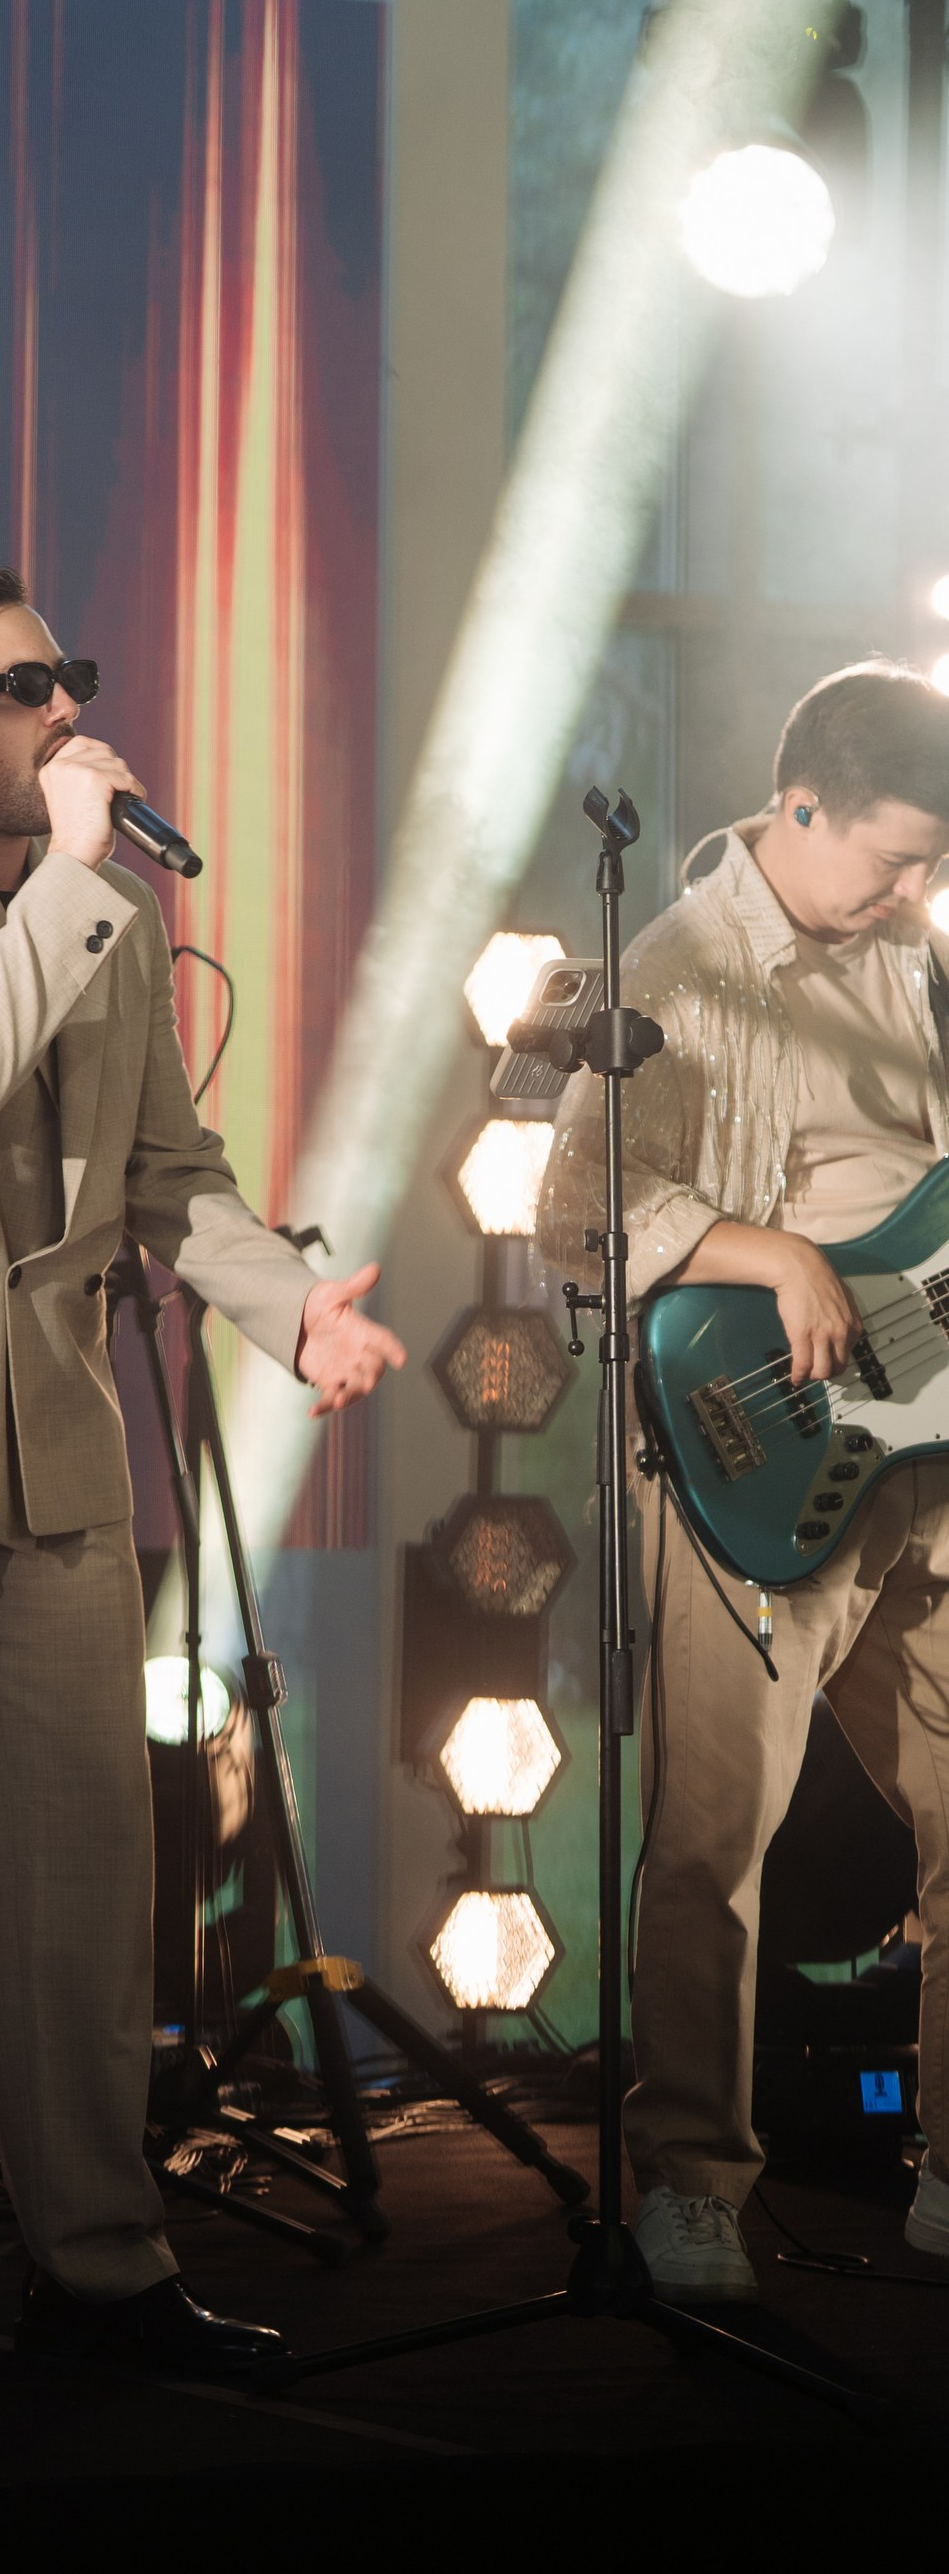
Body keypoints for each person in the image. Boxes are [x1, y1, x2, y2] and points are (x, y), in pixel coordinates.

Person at [0, 566, 400, 2381]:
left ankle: (100, 2258)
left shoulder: (92, 919)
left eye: (65, 674)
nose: (61, 707)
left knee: (84, 1875)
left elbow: (167, 1176)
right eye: (17, 686)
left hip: (50, 1432)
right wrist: (75, 885)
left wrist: (288, 1309)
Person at [540, 657, 949, 2303]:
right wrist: (760, 1245)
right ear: (799, 807)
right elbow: (580, 1207)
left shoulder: (923, 961)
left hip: (928, 1440)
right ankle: (694, 2178)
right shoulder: (683, 966)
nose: (915, 887)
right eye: (894, 856)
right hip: (753, 1454)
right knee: (714, 1840)